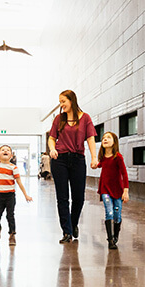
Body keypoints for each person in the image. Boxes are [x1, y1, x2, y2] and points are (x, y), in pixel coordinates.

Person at [48, 90, 98, 244]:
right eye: (60, 101)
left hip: (77, 159)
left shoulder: (85, 118)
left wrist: (94, 157)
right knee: (62, 198)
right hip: (60, 160)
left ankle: (73, 222)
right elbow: (51, 138)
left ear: (72, 100)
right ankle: (67, 231)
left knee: (79, 198)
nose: (61, 105)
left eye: (63, 101)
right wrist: (52, 149)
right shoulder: (59, 118)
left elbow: (90, 139)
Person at [0, 145, 32, 245]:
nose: (5, 151)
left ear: (11, 156)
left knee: (10, 215)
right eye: (3, 150)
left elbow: (19, 182)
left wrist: (26, 195)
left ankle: (12, 234)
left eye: (8, 150)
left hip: (10, 196)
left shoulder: (13, 168)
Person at [97, 131, 129, 249]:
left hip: (117, 190)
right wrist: (96, 165)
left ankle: (116, 236)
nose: (105, 139)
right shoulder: (103, 157)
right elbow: (101, 164)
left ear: (114, 142)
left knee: (117, 214)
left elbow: (124, 174)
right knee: (109, 211)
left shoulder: (118, 157)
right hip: (105, 189)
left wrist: (125, 191)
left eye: (108, 138)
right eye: (104, 138)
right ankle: (110, 240)